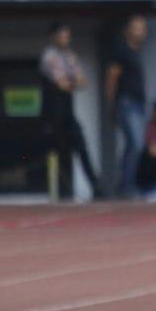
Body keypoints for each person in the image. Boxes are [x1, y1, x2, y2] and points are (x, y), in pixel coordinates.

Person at [38, 22, 97, 199]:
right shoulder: (49, 56)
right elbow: (61, 84)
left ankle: (96, 187)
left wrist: (71, 82)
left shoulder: (70, 56)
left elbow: (83, 82)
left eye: (67, 35)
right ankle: (62, 191)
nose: (66, 39)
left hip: (68, 110)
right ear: (54, 36)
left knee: (81, 146)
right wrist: (72, 82)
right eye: (63, 35)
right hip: (53, 111)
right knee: (59, 151)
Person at [105, 15, 148, 198]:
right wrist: (111, 104)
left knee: (135, 145)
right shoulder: (121, 50)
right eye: (137, 27)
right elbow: (111, 77)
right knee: (135, 143)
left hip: (138, 103)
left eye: (143, 27)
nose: (141, 31)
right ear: (128, 30)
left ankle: (127, 184)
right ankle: (126, 186)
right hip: (126, 102)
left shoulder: (137, 51)